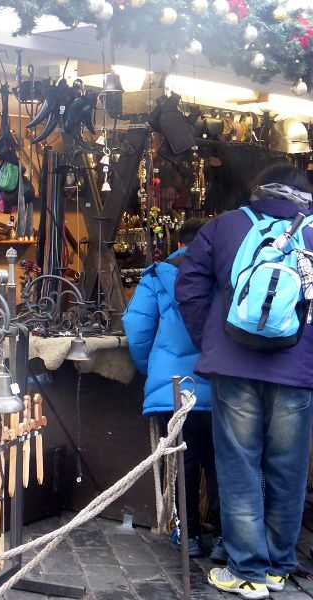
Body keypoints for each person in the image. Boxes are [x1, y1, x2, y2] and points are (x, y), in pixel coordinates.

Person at [175, 162, 313, 599]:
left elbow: (189, 286)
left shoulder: (224, 226)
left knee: (239, 467)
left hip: (233, 366)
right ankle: (276, 568)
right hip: (297, 371)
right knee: (288, 470)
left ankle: (247, 571)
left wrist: (211, 338)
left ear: (258, 190)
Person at [122, 218, 225, 562]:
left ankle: (189, 535)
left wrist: (149, 368)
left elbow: (137, 327)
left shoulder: (156, 275)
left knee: (184, 458)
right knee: (220, 461)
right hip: (220, 380)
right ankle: (224, 537)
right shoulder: (225, 271)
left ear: (179, 243)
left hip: (176, 386)